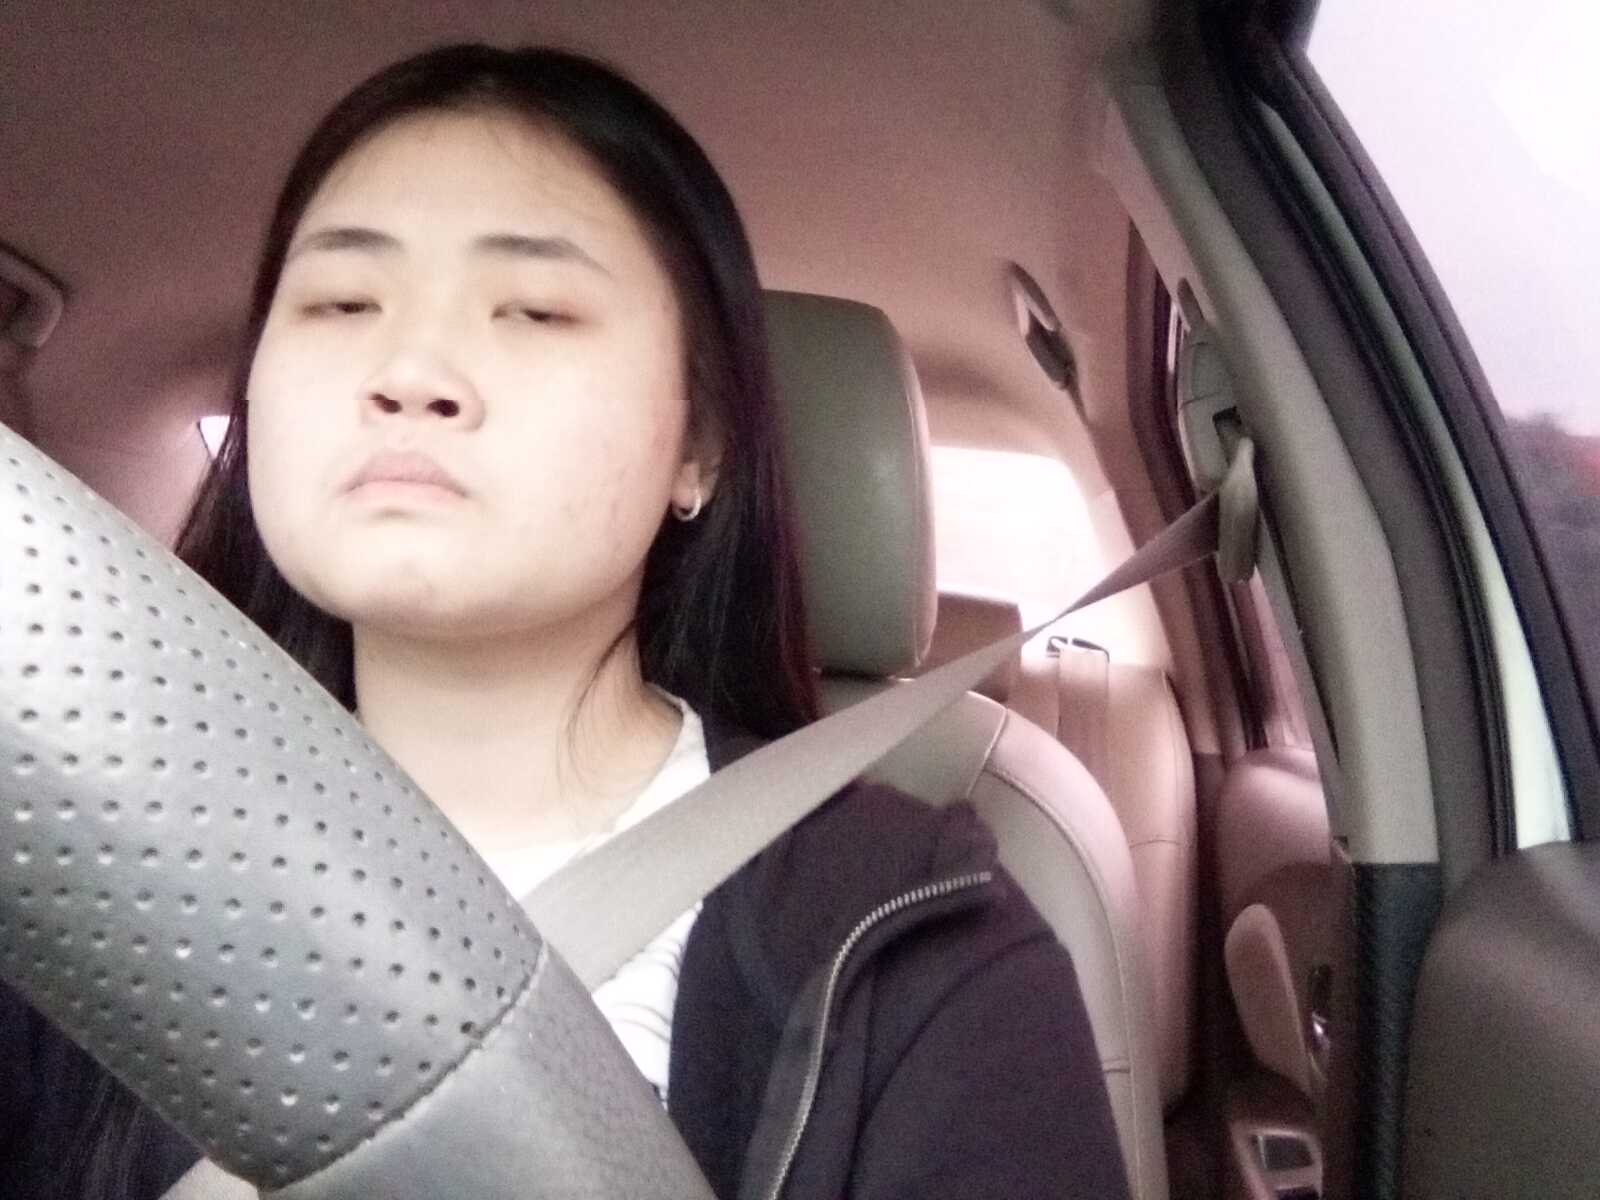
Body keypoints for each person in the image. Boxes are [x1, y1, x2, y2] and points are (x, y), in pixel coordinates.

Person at [0, 44, 1130, 1200]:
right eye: (341, 302)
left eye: (535, 311)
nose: (410, 370)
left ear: (700, 448)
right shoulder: (70, 864)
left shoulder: (912, 940)